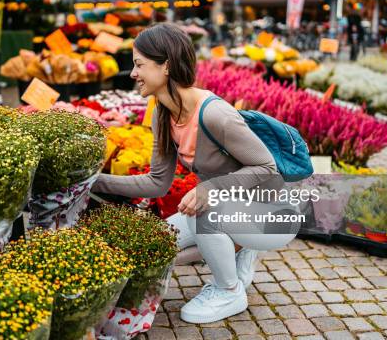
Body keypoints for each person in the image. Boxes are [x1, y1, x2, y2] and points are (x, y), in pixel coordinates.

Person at [92, 23, 297, 324]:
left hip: (271, 212)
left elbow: (267, 168)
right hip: (229, 206)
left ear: (166, 66)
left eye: (139, 65)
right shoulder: (162, 111)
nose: (133, 74)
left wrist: (210, 189)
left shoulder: (214, 115)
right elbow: (157, 183)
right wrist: (92, 181)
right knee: (157, 245)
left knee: (205, 215)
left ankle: (229, 291)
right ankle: (237, 249)